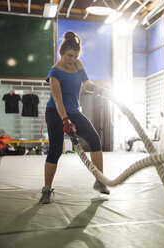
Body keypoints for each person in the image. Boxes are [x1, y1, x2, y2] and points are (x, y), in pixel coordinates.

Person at [40, 31, 109, 204]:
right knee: (55, 149)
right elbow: (57, 100)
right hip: (56, 112)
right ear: (61, 53)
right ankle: (47, 189)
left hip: (74, 111)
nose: (72, 60)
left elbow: (87, 83)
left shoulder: (78, 65)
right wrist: (65, 120)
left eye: (76, 56)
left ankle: (99, 181)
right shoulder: (54, 72)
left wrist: (98, 89)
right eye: (70, 55)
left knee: (95, 140)